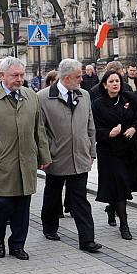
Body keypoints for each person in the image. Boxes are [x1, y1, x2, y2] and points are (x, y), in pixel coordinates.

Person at [0, 57, 50, 260]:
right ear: (1, 75)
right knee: (3, 204)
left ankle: (17, 244)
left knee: (23, 205)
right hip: (1, 161)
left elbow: (38, 129)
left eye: (22, 75)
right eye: (15, 75)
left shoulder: (31, 96)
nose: (19, 79)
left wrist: (44, 155)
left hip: (26, 160)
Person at [37, 58, 101, 253]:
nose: (81, 80)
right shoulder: (43, 97)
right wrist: (44, 156)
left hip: (80, 156)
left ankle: (87, 240)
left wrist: (91, 151)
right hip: (56, 157)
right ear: (66, 78)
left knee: (79, 198)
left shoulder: (84, 95)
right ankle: (49, 227)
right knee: (52, 194)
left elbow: (90, 125)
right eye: (78, 77)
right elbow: (39, 130)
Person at [92, 69, 137, 240]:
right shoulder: (98, 104)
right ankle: (124, 225)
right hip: (109, 152)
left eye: (118, 81)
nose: (115, 84)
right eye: (112, 81)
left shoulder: (129, 99)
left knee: (123, 185)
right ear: (105, 85)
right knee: (120, 186)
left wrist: (134, 128)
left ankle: (111, 208)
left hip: (129, 150)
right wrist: (109, 133)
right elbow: (94, 129)